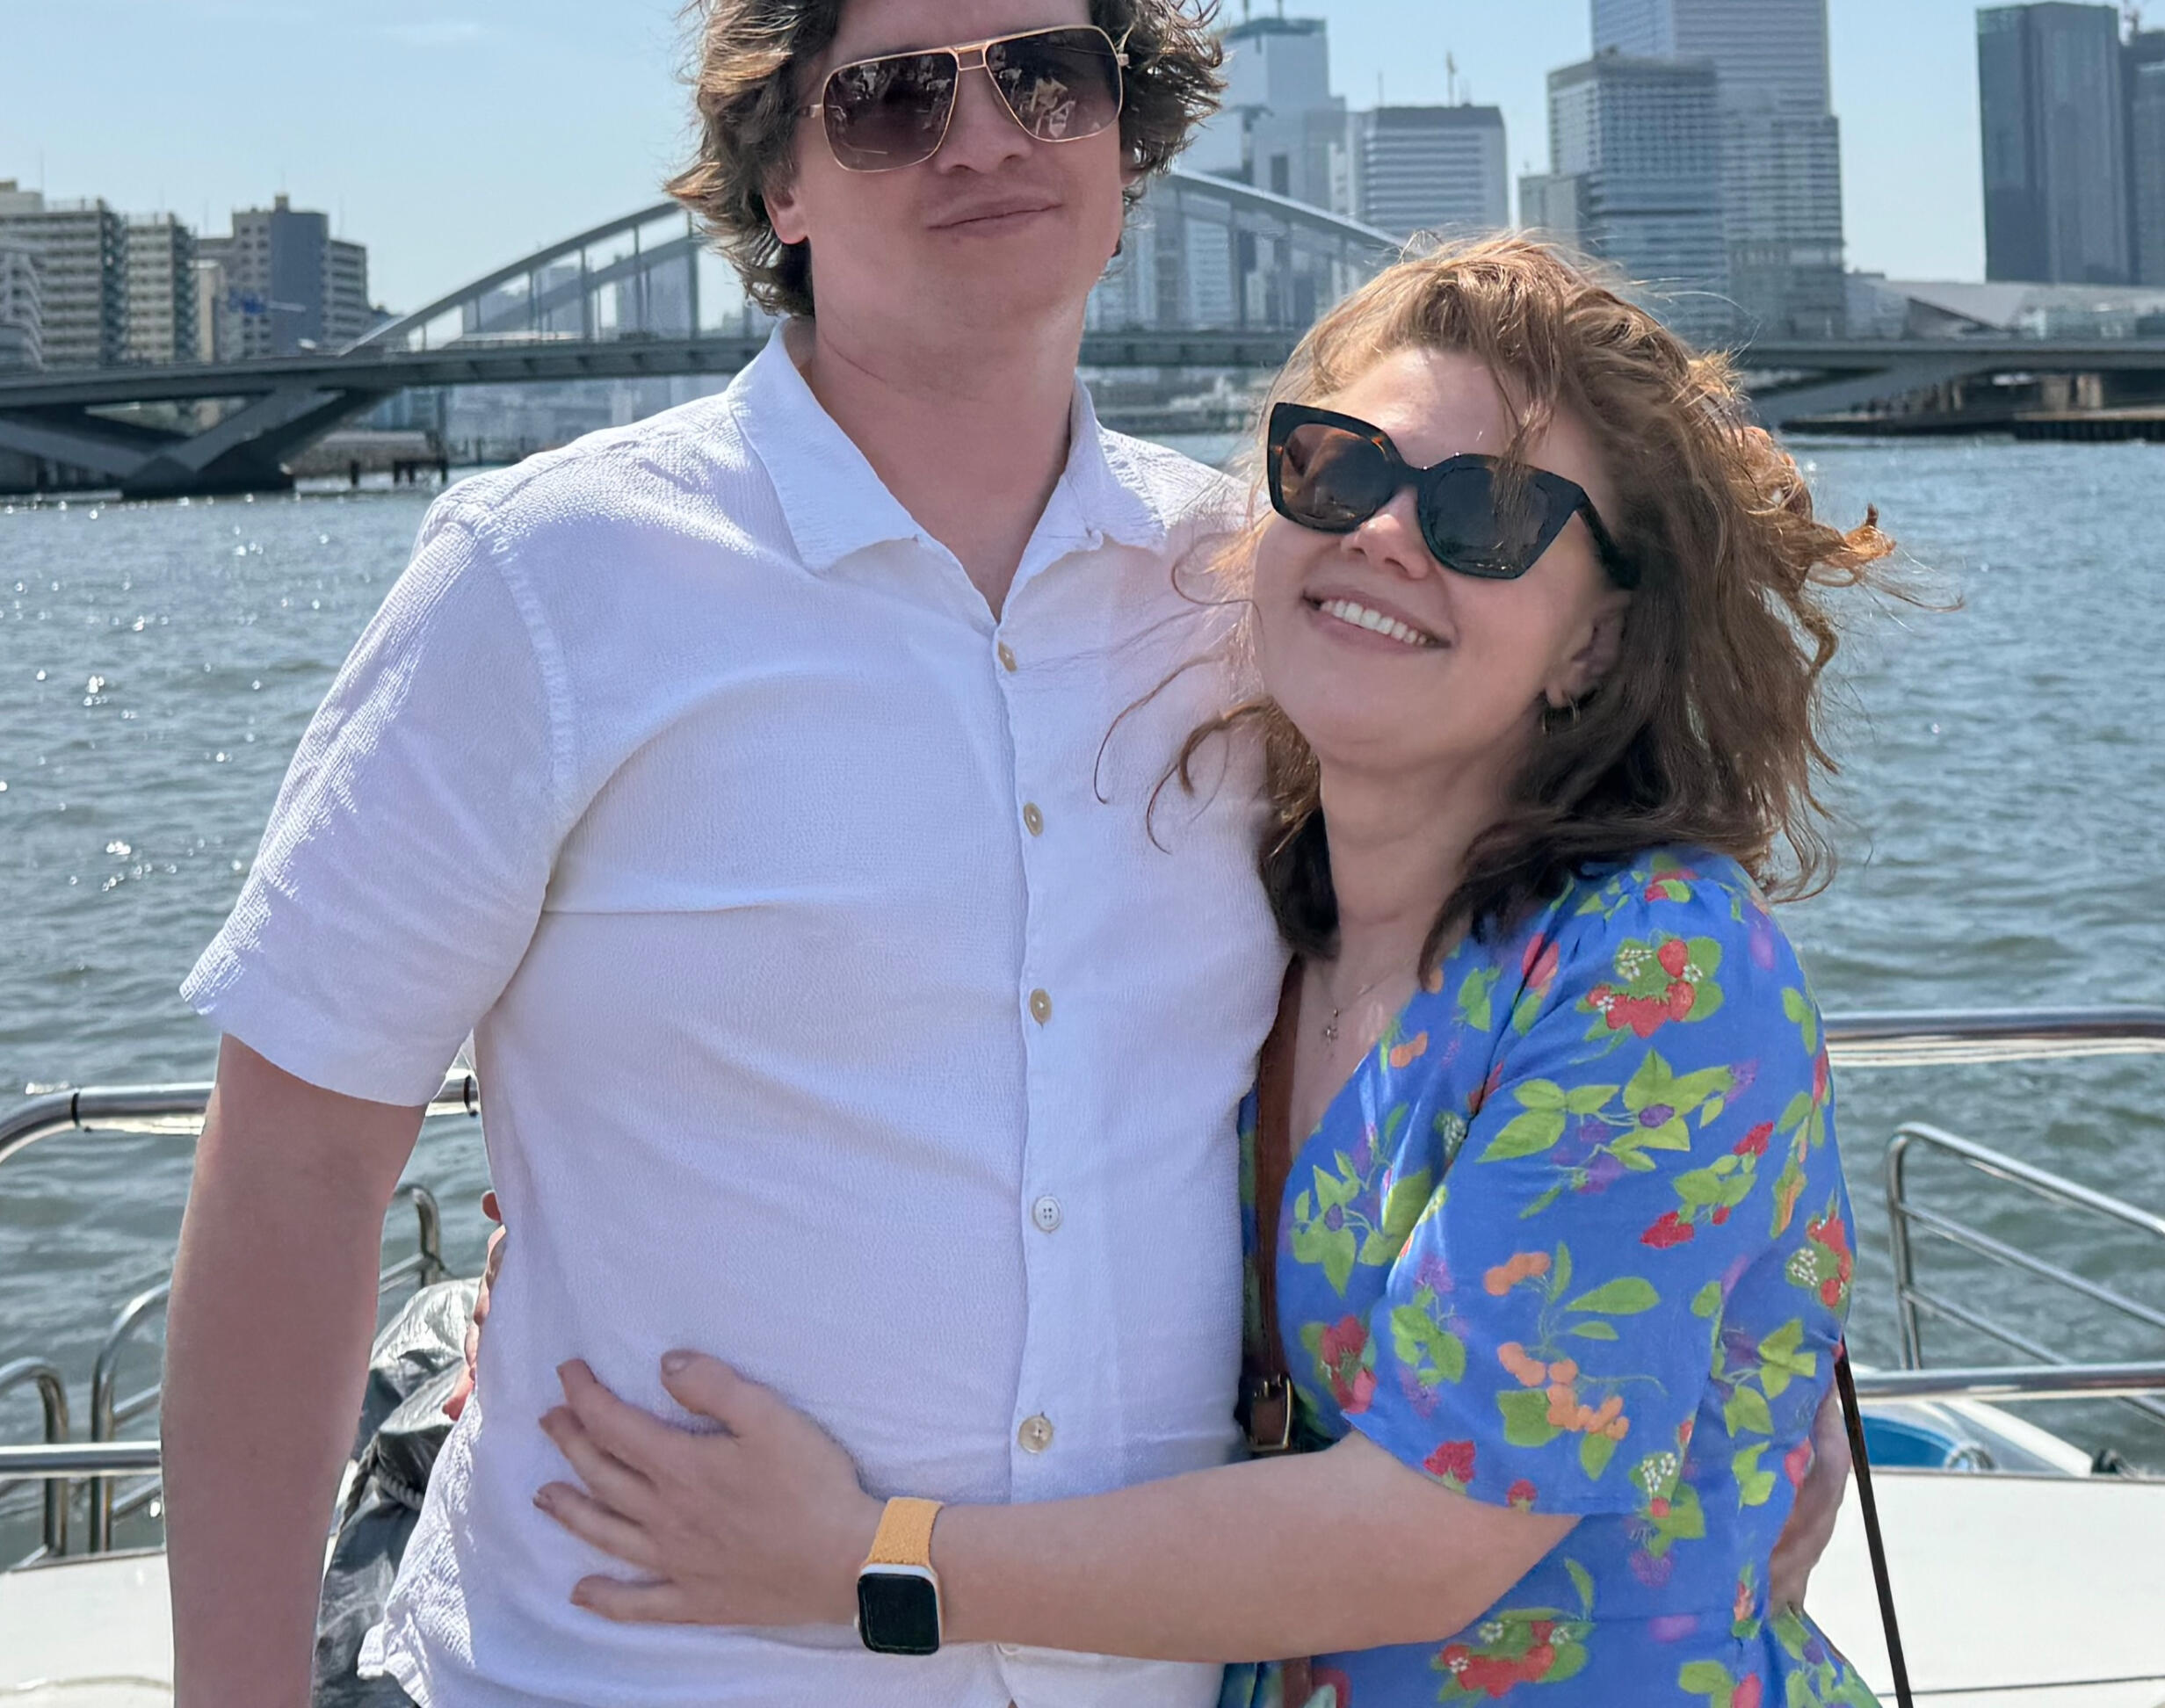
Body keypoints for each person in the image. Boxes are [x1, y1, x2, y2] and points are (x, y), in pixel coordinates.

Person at [161, 0, 1845, 1708]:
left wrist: (1726, 1367)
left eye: (1047, 76)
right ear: (778, 183)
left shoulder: (1249, 603)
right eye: (893, 99)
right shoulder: (550, 582)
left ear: (1124, 141)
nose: (984, 138)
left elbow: (1507, 1014)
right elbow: (294, 1168)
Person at [523, 238, 1890, 1704]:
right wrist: (589, 1238)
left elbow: (1430, 1535)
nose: (1386, 534)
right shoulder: (1248, 915)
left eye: (1487, 513)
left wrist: (867, 1563)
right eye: (1338, 469)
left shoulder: (1656, 971)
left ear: (1595, 645)